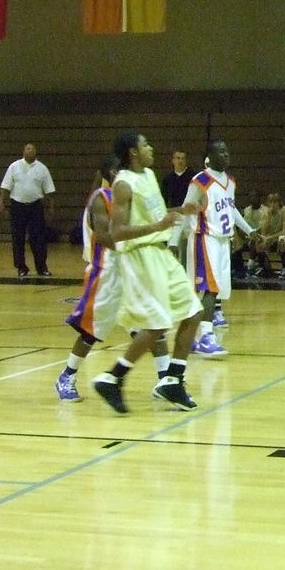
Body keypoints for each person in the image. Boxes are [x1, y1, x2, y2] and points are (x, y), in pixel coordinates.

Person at [91, 131, 203, 414]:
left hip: (161, 253)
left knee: (193, 312)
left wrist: (180, 209)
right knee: (157, 324)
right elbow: (117, 232)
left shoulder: (150, 175)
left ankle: (173, 381)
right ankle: (112, 378)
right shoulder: (123, 185)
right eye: (145, 144)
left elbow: (154, 215)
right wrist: (159, 226)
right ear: (133, 152)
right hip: (140, 256)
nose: (151, 148)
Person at [56, 156, 170, 402]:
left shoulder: (129, 196)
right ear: (108, 172)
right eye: (117, 169)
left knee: (151, 325)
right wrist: (141, 242)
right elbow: (106, 236)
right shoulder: (101, 198)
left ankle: (166, 381)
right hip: (106, 271)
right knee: (90, 332)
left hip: (131, 269)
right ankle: (67, 375)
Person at [183, 139, 256, 357]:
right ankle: (206, 337)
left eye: (227, 152)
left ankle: (190, 338)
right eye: (221, 152)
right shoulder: (201, 180)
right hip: (205, 239)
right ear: (210, 156)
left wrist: (249, 230)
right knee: (210, 289)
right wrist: (191, 235)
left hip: (223, 240)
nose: (226, 155)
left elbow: (231, 209)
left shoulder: (230, 180)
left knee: (213, 290)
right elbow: (188, 210)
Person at [0, 142, 56, 277]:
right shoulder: (14, 166)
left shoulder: (42, 168)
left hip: (35, 206)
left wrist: (51, 206)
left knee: (38, 238)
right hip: (17, 206)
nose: (29, 151)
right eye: (27, 149)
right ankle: (21, 267)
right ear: (23, 152)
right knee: (18, 237)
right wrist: (2, 202)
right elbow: (5, 186)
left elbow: (49, 190)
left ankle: (41, 267)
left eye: (32, 149)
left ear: (35, 152)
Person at [160, 150, 197, 263]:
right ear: (173, 161)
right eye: (177, 158)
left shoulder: (193, 177)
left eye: (182, 158)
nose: (180, 161)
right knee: (173, 247)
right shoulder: (168, 179)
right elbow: (163, 200)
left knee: (191, 251)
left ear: (186, 161)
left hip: (191, 216)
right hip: (175, 216)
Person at [250, 192, 285, 277]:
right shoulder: (265, 213)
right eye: (271, 202)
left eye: (275, 202)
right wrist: (268, 216)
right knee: (259, 240)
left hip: (280, 237)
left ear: (279, 203)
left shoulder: (284, 210)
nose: (273, 204)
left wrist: (270, 237)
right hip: (270, 238)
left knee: (282, 239)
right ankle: (263, 267)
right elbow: (263, 232)